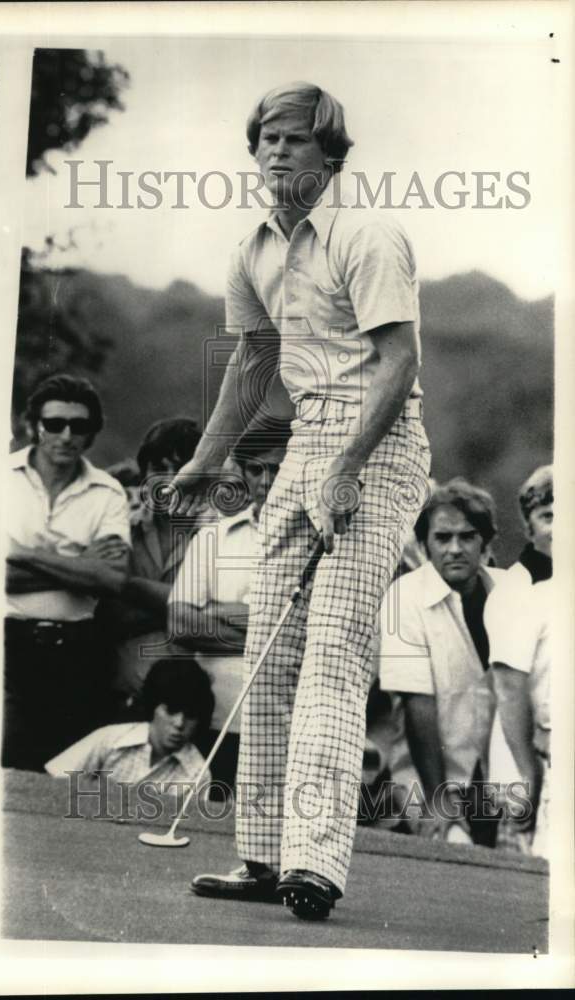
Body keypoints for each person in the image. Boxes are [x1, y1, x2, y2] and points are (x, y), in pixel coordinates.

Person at [177, 82, 431, 919]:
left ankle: (315, 864)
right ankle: (260, 857)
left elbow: (398, 361)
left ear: (331, 154)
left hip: (381, 444)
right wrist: (206, 463)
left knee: (332, 648)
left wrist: (351, 465)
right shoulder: (251, 249)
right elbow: (252, 363)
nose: (276, 153)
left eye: (294, 140)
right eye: (265, 141)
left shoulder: (368, 233)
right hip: (304, 444)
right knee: (269, 653)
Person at [4, 374, 131, 771]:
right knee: (3, 765)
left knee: (63, 773)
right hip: (5, 645)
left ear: (92, 433)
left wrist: (21, 554)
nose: (66, 435)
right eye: (54, 424)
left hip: (76, 654)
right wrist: (80, 563)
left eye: (79, 426)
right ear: (33, 427)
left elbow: (111, 580)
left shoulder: (108, 493)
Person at [379, 479, 507, 845]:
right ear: (424, 545)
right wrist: (440, 805)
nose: (455, 549)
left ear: (485, 544)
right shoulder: (404, 597)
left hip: (501, 781)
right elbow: (418, 707)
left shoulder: (511, 592)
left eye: (467, 537)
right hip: (427, 779)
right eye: (443, 538)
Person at [169, 421, 291, 792]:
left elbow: (307, 634)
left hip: (286, 722)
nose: (267, 482)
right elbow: (181, 625)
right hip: (215, 716)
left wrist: (220, 611)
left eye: (279, 469)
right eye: (257, 469)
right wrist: (271, 631)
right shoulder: (214, 538)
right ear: (242, 472)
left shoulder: (323, 544)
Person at [96, 418, 203, 716]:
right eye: (159, 469)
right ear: (143, 474)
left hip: (190, 711)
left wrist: (129, 588)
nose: (169, 480)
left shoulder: (218, 536)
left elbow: (212, 618)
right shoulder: (120, 530)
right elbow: (107, 616)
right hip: (121, 699)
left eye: (181, 469)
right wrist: (182, 610)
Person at [484, 465, 553, 855]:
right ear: (528, 527)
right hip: (527, 766)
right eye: (548, 517)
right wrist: (527, 779)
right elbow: (509, 690)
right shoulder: (516, 589)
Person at [45, 658, 214, 801]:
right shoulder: (110, 738)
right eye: (171, 710)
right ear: (153, 706)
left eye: (191, 715)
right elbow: (53, 787)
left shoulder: (198, 773)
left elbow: (185, 829)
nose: (179, 723)